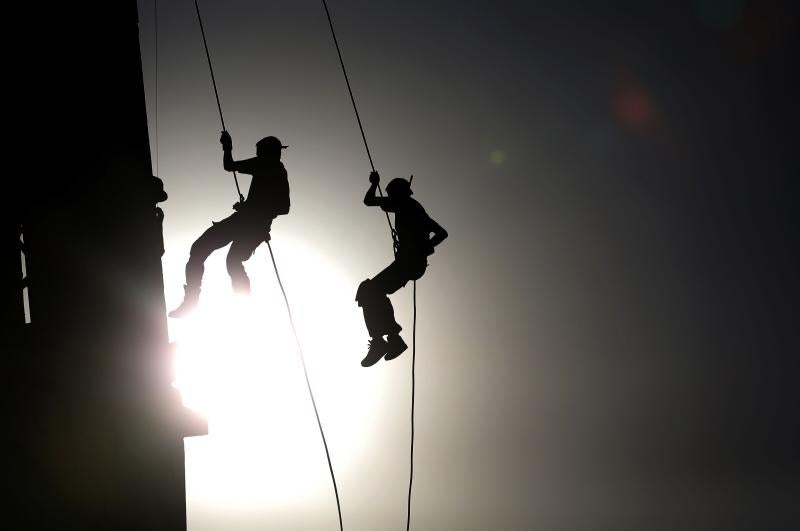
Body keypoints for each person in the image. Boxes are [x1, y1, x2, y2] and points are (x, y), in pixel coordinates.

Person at [169, 131, 290, 318]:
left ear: (266, 152)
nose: (257, 155)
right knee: (209, 252)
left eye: (259, 152)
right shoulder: (265, 165)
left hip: (252, 225)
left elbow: (284, 207)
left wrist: (227, 147)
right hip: (247, 222)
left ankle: (234, 304)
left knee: (224, 257)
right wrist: (227, 147)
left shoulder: (273, 168)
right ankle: (204, 302)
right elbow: (230, 167)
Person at [356, 171, 448, 366]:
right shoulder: (406, 206)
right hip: (408, 262)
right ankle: (389, 339)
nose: (390, 199)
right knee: (371, 291)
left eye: (392, 195)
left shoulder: (410, 207)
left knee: (369, 290)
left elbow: (442, 233)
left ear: (400, 193)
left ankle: (387, 340)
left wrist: (423, 249)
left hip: (411, 262)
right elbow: (369, 201)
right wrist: (374, 184)